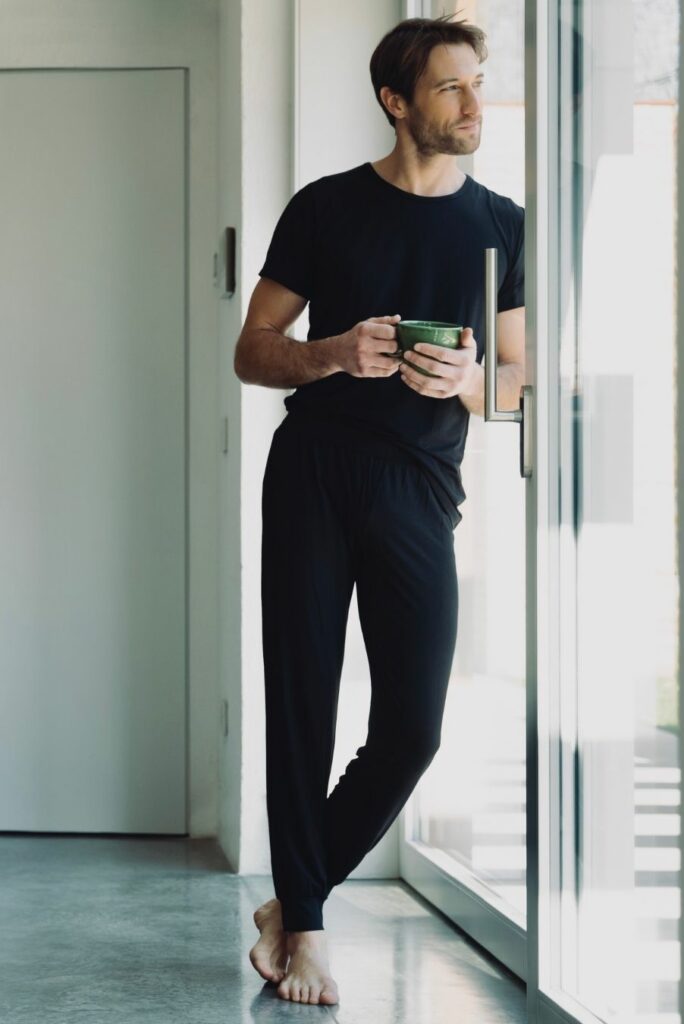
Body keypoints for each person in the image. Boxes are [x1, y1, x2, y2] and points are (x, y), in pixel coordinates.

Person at [235, 13, 525, 1006]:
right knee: (302, 704)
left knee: (411, 727)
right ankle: (306, 928)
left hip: (421, 487)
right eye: (453, 87)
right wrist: (329, 353)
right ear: (397, 101)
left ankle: (292, 897)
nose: (476, 104)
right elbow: (252, 347)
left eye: (478, 82)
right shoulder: (324, 208)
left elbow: (520, 379)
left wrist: (469, 381)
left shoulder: (502, 225)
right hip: (313, 467)